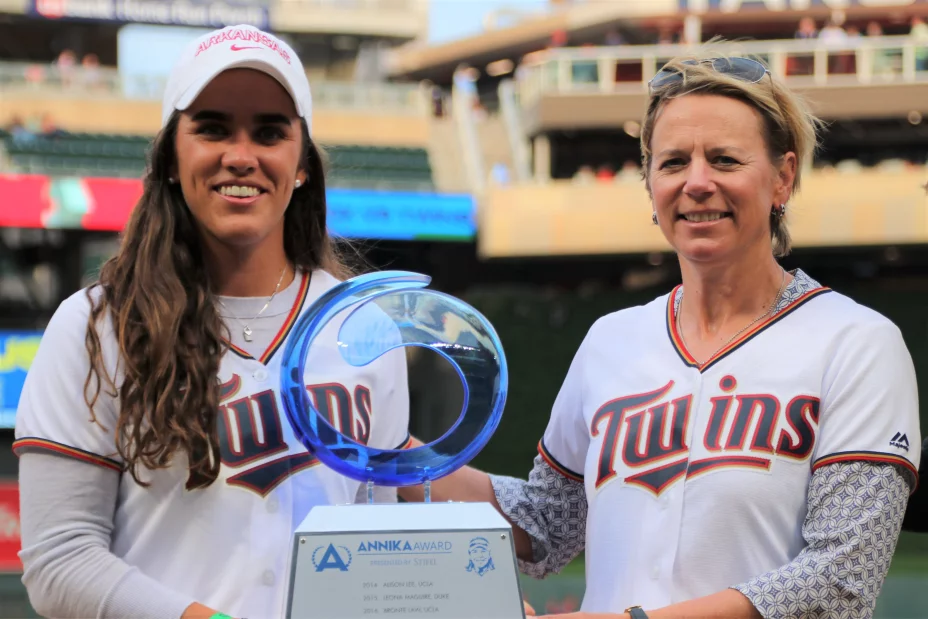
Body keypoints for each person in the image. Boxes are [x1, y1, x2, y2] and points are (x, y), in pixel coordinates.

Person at [399, 54, 921, 618]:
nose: (698, 182)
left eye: (724, 159)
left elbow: (841, 582)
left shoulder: (858, 342)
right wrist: (391, 457)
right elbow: (548, 523)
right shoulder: (611, 340)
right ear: (650, 184)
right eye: (673, 162)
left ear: (783, 177)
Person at [14, 24, 410, 619]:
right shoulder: (96, 324)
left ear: (301, 164)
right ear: (173, 156)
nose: (241, 155)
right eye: (213, 127)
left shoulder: (365, 329)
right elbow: (59, 559)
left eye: (271, 132)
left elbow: (382, 543)